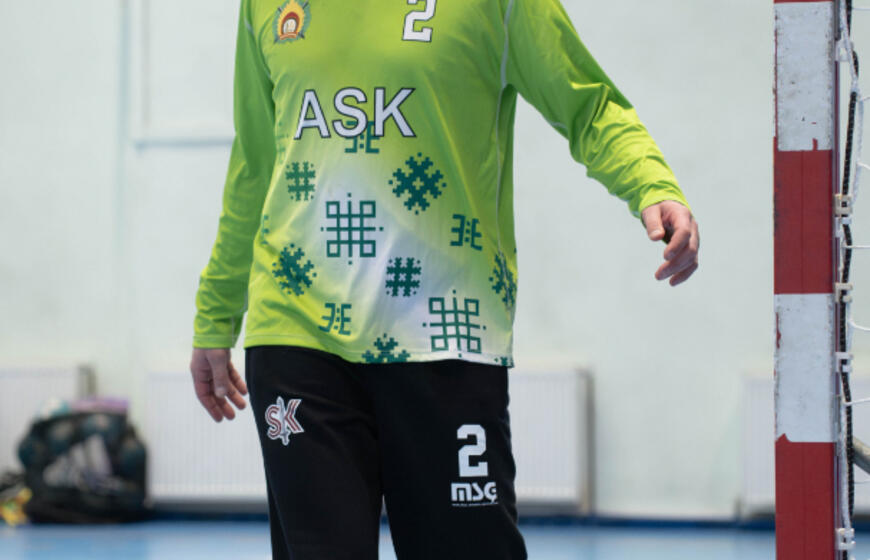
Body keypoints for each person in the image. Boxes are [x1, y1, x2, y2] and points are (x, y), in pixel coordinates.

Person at [189, 0, 700, 558]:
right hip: (297, 331)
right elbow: (256, 163)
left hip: (446, 330)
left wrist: (651, 185)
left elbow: (589, 106)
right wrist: (216, 312)